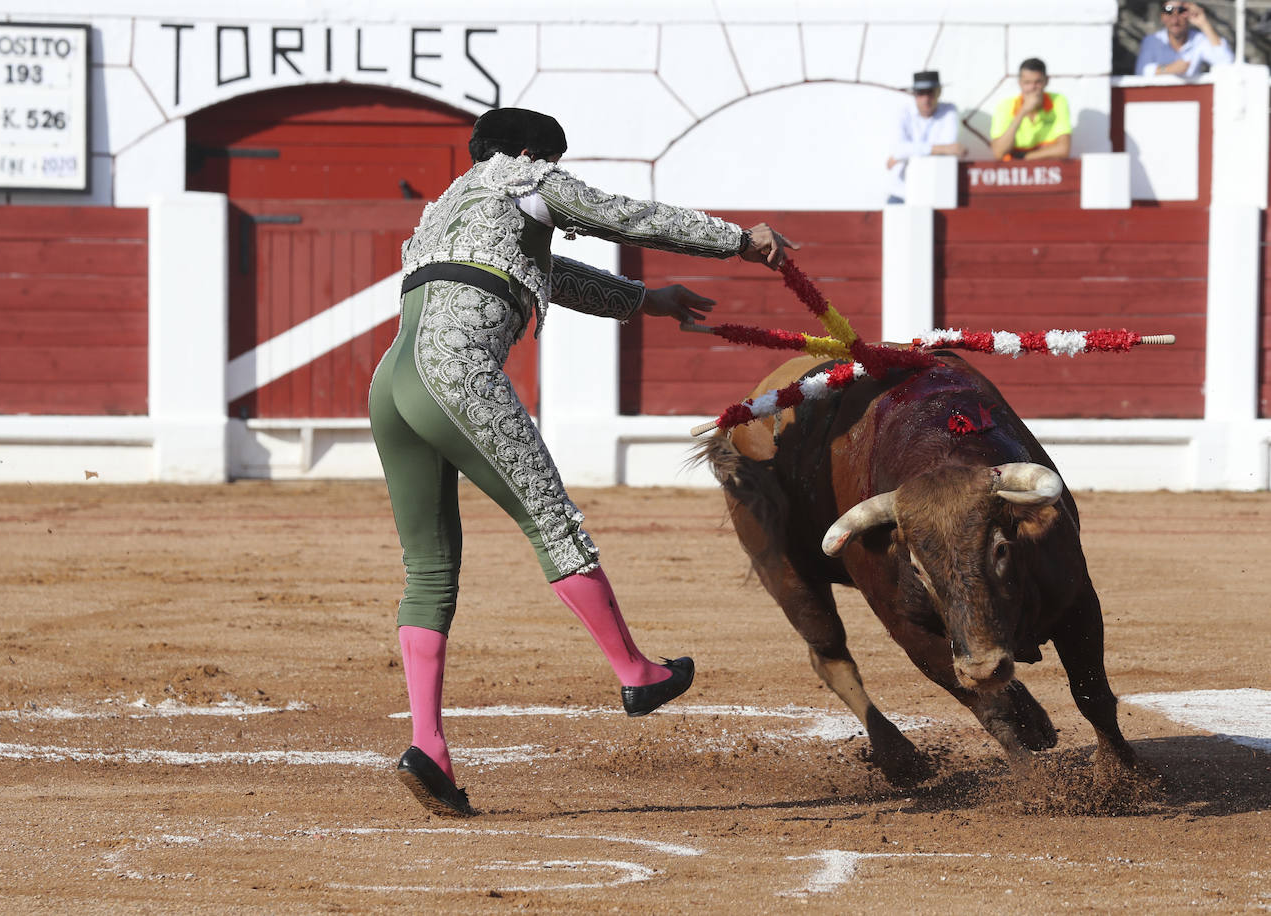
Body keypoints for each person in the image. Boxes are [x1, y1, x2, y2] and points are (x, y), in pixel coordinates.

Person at [368, 107, 794, 817]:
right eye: (554, 162)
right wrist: (737, 241)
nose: (557, 176)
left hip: (392, 385)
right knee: (551, 521)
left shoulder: (450, 205)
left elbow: (549, 272)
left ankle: (429, 749)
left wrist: (647, 301)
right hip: (454, 375)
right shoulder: (527, 177)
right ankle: (634, 671)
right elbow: (620, 216)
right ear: (534, 151)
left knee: (430, 567)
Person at [886, 70, 964, 204]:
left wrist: (906, 153)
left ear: (938, 92)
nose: (926, 98)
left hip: (936, 192)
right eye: (921, 93)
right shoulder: (904, 113)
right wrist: (943, 149)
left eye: (930, 92)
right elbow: (900, 149)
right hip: (902, 192)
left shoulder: (949, 110)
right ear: (914, 94)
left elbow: (901, 152)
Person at [990, 58, 1071, 161]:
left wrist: (1024, 157)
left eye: (1038, 82)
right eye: (1027, 83)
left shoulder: (1058, 101)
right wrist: (1022, 112)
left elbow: (1063, 150)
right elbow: (999, 152)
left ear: (1046, 81)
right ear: (1019, 83)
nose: (1032, 87)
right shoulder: (1005, 106)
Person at [1135, 2, 1233, 78]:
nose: (1175, 20)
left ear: (1189, 13)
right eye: (1168, 11)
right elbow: (1141, 71)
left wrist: (1203, 23)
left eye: (1181, 11)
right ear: (1162, 17)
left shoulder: (1198, 39)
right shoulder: (1152, 40)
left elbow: (1226, 62)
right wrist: (1169, 69)